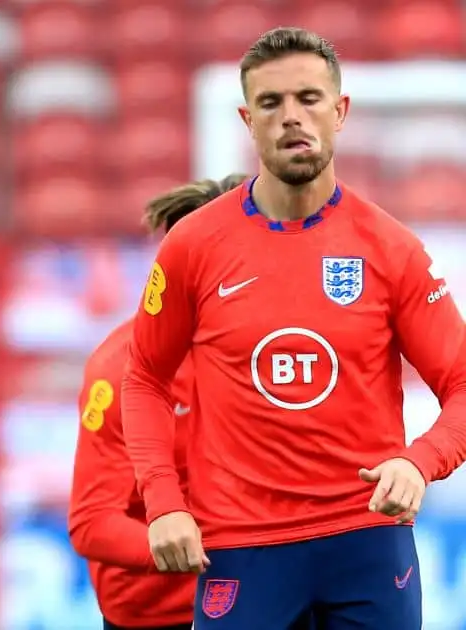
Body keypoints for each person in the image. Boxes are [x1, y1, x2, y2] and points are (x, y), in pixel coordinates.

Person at [122, 26, 466, 629]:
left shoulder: (390, 250)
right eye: (270, 103)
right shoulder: (193, 246)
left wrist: (419, 461)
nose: (291, 117)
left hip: (366, 538)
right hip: (241, 546)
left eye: (308, 99)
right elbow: (144, 377)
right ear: (246, 120)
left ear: (341, 111)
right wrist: (162, 504)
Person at [69, 174, 246, 630]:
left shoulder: (276, 350)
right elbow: (92, 522)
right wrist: (198, 546)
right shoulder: (119, 368)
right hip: (161, 612)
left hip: (268, 595)